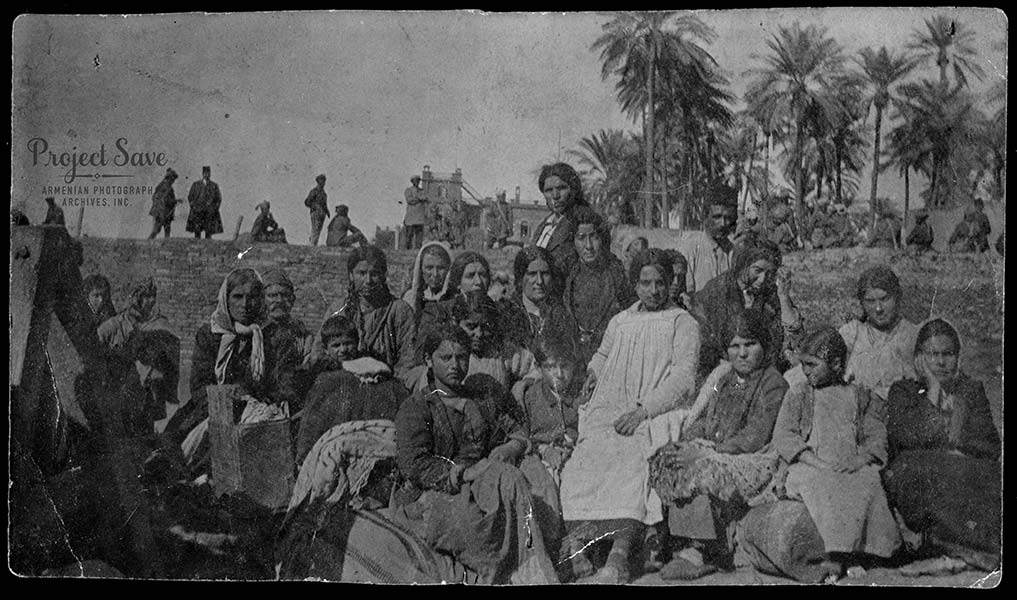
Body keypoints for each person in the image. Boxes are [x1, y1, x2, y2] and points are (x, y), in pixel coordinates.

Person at [559, 249, 701, 583]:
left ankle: (619, 555)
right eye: (645, 283)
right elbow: (603, 353)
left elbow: (683, 379)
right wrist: (593, 373)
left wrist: (643, 411)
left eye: (660, 283)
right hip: (615, 405)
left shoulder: (682, 322)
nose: (654, 291)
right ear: (635, 285)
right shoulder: (621, 320)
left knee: (631, 458)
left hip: (656, 410)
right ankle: (579, 548)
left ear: (671, 283)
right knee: (585, 455)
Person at [391, 325, 559, 584]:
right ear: (428, 360)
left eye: (461, 357)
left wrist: (510, 447)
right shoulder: (418, 408)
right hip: (434, 491)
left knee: (515, 476)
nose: (455, 365)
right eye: (445, 358)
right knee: (469, 524)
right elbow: (415, 464)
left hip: (481, 482)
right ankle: (503, 569)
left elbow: (513, 433)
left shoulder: (480, 400)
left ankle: (532, 568)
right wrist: (464, 473)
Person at [650, 309, 788, 580]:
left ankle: (702, 551)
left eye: (750, 344)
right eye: (735, 346)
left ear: (764, 345)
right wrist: (689, 443)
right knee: (667, 457)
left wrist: (707, 451)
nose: (742, 353)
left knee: (700, 468)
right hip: (717, 450)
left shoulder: (773, 382)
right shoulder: (724, 380)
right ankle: (673, 540)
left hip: (752, 457)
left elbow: (756, 435)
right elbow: (706, 418)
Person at [772, 327, 901, 578]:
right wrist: (816, 462)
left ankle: (867, 552)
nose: (805, 371)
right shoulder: (799, 394)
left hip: (848, 465)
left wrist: (860, 460)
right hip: (809, 466)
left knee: (868, 482)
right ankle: (836, 555)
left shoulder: (858, 395)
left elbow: (876, 434)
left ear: (835, 364)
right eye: (803, 364)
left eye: (812, 364)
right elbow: (785, 435)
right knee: (825, 485)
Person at [884, 319, 1000, 572]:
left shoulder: (971, 390)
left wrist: (957, 446)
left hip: (962, 471)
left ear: (957, 357)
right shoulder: (903, 391)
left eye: (947, 354)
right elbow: (907, 438)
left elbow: (990, 444)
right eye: (932, 354)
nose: (940, 362)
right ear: (918, 358)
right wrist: (934, 391)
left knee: (987, 473)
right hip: (916, 475)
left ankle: (963, 553)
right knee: (922, 467)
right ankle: (955, 552)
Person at [163, 268, 303, 475]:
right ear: (226, 299)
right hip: (212, 407)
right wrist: (227, 402)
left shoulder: (277, 337)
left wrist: (252, 402)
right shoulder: (210, 334)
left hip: (260, 411)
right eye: (237, 296)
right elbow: (200, 385)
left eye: (252, 297)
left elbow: (285, 384)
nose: (245, 304)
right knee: (179, 448)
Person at [294, 313, 409, 464]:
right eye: (336, 345)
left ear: (357, 343)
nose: (343, 350)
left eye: (348, 343)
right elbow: (313, 418)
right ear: (326, 349)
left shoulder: (372, 368)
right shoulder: (324, 378)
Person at [691, 242, 802, 378]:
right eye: (757, 270)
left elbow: (794, 336)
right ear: (743, 265)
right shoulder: (718, 291)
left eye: (770, 273)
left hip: (765, 368)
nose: (762, 279)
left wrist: (783, 297)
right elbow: (710, 344)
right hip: (723, 367)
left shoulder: (770, 291)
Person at [97, 277, 181, 433]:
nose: (150, 301)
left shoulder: (160, 325)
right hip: (117, 395)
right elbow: (95, 346)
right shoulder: (115, 325)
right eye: (144, 296)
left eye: (152, 296)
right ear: (134, 297)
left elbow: (170, 359)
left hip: (148, 397)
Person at [325, 246, 416, 383]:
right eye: (361, 273)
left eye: (374, 274)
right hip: (342, 382)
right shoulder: (338, 309)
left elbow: (409, 359)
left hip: (386, 384)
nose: (368, 281)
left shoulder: (400, 311)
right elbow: (320, 351)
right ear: (351, 275)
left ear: (384, 276)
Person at [563, 207, 636, 368]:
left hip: (610, 359)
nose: (588, 246)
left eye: (594, 237)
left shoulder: (618, 276)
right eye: (581, 238)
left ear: (602, 239)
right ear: (573, 241)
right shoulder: (566, 276)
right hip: (572, 360)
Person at [837, 265, 919, 401]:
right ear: (862, 303)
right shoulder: (852, 333)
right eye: (870, 301)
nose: (878, 308)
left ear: (897, 297)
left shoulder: (912, 335)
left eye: (884, 299)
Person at [519, 337, 581, 488]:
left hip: (578, 456)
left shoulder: (581, 394)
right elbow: (523, 438)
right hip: (543, 460)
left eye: (565, 366)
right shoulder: (530, 398)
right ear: (538, 368)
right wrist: (545, 450)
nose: (559, 374)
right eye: (551, 367)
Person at [505, 245, 578, 357]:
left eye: (545, 274)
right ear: (520, 278)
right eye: (532, 274)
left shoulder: (561, 314)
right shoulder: (508, 313)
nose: (539, 281)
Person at [671, 180, 740, 295]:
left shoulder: (733, 251)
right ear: (705, 216)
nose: (723, 223)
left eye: (728, 218)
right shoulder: (690, 247)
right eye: (717, 217)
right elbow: (686, 294)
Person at [530, 162, 590, 276]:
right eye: (548, 190)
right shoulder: (545, 224)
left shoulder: (584, 221)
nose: (555, 196)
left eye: (561, 188)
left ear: (574, 189)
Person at [262, 269, 315, 368]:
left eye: (285, 295)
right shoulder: (255, 330)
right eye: (272, 296)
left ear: (292, 300)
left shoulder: (301, 334)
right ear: (262, 299)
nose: (279, 300)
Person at [185, 166, 224, 239]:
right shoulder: (196, 184)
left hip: (209, 211)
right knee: (197, 230)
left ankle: (208, 245)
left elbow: (218, 198)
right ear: (202, 174)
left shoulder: (214, 185)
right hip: (198, 211)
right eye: (205, 173)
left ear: (210, 174)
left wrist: (215, 208)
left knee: (209, 230)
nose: (207, 175)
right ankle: (197, 243)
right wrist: (193, 206)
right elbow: (190, 197)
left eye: (208, 173)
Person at [148, 168, 180, 239]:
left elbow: (156, 198)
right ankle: (148, 242)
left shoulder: (162, 185)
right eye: (173, 179)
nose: (173, 181)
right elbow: (165, 199)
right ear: (169, 178)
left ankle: (149, 242)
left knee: (160, 230)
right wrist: (175, 201)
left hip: (161, 212)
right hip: (163, 212)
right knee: (161, 230)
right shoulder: (166, 187)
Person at [304, 174, 330, 246]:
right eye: (322, 180)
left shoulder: (324, 193)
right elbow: (307, 202)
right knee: (315, 229)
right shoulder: (314, 191)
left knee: (318, 230)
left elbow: (324, 204)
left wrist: (327, 212)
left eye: (324, 181)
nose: (323, 183)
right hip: (316, 213)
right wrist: (314, 206)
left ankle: (314, 243)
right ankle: (312, 244)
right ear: (318, 181)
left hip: (322, 213)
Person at [403, 175, 428, 250]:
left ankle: (417, 251)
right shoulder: (408, 190)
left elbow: (426, 198)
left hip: (420, 216)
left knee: (419, 235)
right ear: (412, 181)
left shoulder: (422, 191)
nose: (417, 182)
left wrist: (417, 199)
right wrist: (420, 199)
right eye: (415, 180)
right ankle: (408, 250)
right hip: (411, 217)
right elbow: (410, 200)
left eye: (418, 180)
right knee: (409, 234)